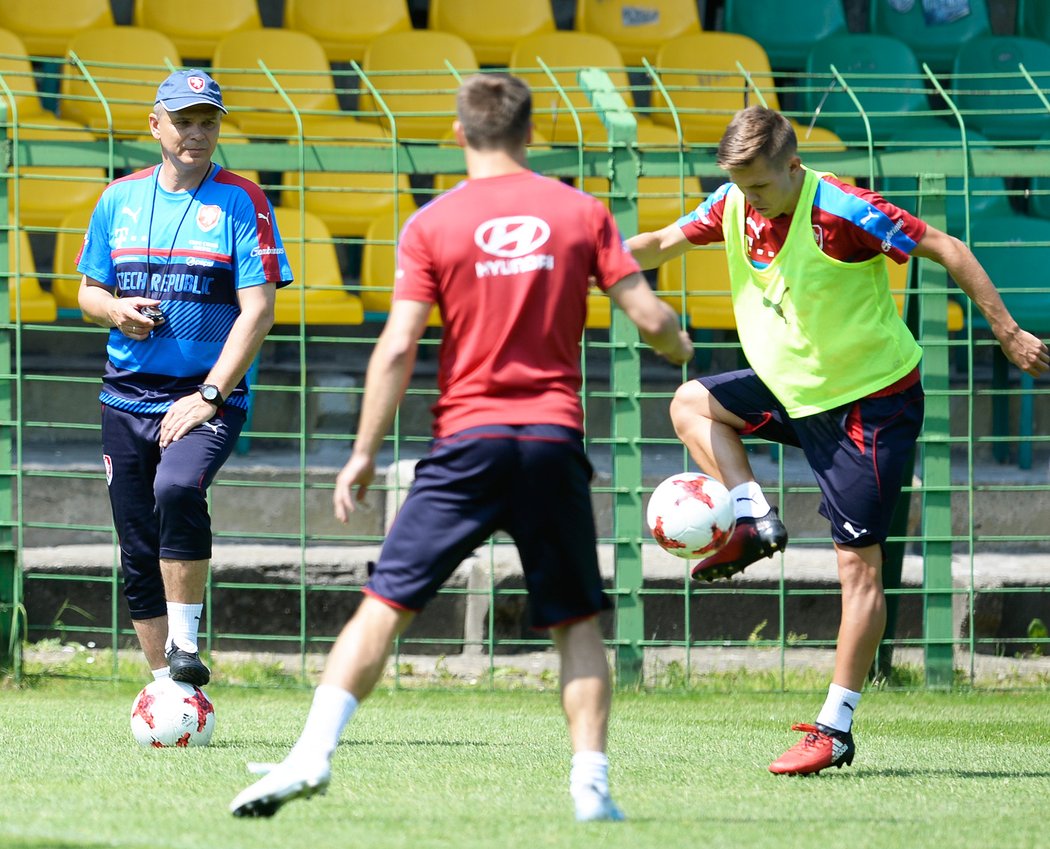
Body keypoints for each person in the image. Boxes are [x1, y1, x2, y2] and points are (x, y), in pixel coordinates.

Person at [228, 72, 692, 821]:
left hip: (466, 442)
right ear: (531, 134)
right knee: (574, 621)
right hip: (549, 440)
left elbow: (398, 346)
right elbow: (648, 317)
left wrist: (363, 452)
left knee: (383, 604)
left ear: (459, 136)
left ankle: (311, 755)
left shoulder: (431, 223)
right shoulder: (581, 212)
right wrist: (676, 342)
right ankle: (590, 786)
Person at [626, 105, 1049, 775]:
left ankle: (835, 726)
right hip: (792, 388)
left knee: (859, 570)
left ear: (793, 167)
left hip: (869, 406)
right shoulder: (733, 201)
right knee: (690, 403)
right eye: (737, 185)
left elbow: (947, 247)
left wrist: (1008, 332)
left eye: (760, 186)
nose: (748, 200)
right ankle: (752, 520)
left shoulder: (846, 211)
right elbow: (656, 243)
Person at [76, 69, 293, 687]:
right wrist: (115, 309)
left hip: (205, 395)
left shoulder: (243, 200)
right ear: (156, 125)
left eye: (209, 121)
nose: (198, 133)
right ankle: (166, 690)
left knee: (176, 489)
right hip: (125, 395)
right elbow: (89, 292)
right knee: (136, 545)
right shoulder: (117, 198)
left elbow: (260, 311)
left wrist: (209, 396)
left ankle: (186, 645)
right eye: (185, 120)